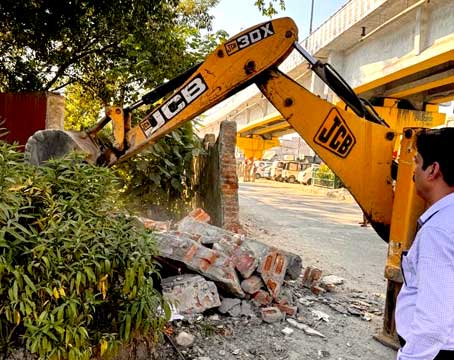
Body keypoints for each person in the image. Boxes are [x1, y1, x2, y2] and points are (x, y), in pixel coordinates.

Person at [396, 128, 454, 360]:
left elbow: (433, 322)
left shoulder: (438, 231)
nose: (413, 169)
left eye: (417, 161)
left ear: (433, 170)